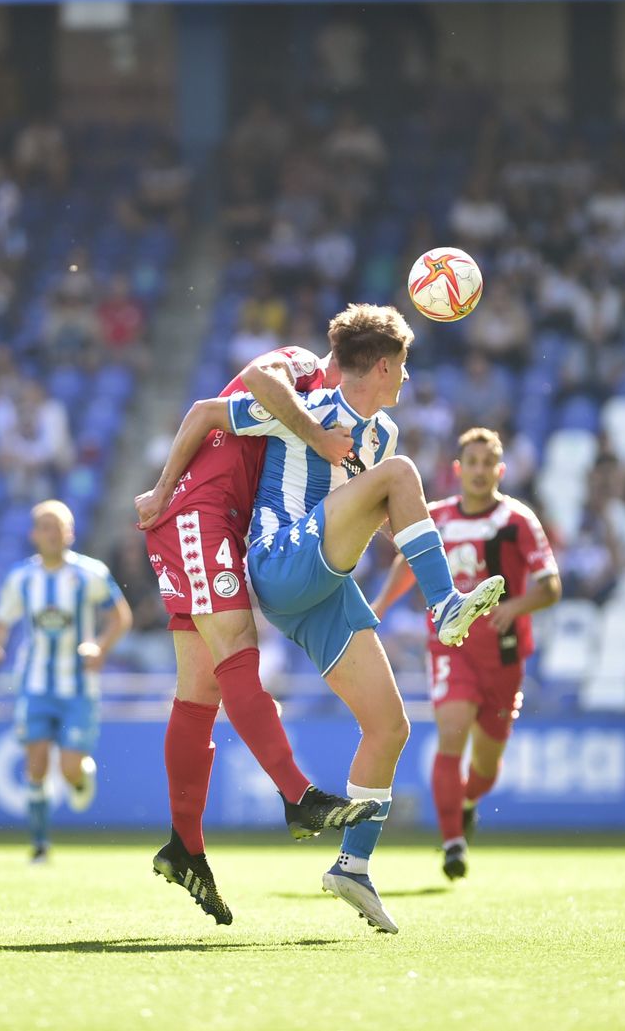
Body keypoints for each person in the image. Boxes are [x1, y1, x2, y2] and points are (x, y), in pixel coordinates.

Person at [164, 304, 505, 933]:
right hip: (281, 557)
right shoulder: (306, 408)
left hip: (327, 579)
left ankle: (352, 866)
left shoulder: (383, 438)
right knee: (400, 477)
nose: (407, 378)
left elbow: (379, 515)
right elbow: (208, 411)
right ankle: (448, 605)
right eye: (402, 365)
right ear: (381, 365)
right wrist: (160, 494)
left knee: (390, 726)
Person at [135, 339, 376, 927]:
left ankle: (184, 847)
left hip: (219, 520)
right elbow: (217, 399)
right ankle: (297, 795)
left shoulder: (331, 413)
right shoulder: (301, 373)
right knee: (239, 652)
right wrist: (166, 491)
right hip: (199, 512)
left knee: (200, 691)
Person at [373, 427, 562, 882]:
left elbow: (551, 587)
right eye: (470, 463)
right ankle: (453, 842)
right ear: (457, 470)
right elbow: (407, 562)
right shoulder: (435, 518)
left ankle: (470, 801)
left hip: (503, 653)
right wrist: (380, 606)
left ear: (500, 470)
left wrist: (513, 607)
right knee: (452, 732)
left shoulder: (517, 520)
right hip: (450, 646)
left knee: (486, 763)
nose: (479, 471)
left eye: (487, 463)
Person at [0, 501, 133, 865]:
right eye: (44, 526)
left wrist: (100, 646)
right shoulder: (21, 578)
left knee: (68, 769)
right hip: (34, 683)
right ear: (34, 534)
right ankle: (40, 845)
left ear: (70, 532)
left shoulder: (88, 574)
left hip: (78, 686)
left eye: (58, 526)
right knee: (35, 765)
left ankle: (80, 778)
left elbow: (120, 616)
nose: (51, 533)